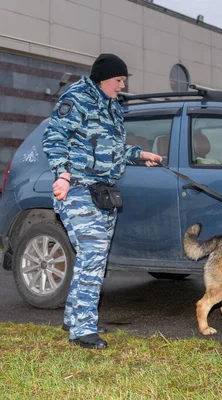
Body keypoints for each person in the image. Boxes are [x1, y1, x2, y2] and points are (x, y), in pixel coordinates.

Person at [42, 53, 162, 349]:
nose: (122, 85)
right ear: (104, 77)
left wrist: (137, 155)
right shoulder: (78, 98)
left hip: (103, 193)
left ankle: (75, 318)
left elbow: (112, 148)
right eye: (119, 80)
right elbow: (54, 136)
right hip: (79, 189)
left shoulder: (111, 105)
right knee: (92, 257)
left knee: (91, 259)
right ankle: (83, 329)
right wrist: (63, 175)